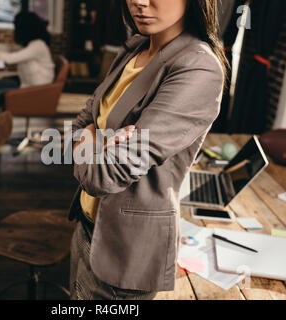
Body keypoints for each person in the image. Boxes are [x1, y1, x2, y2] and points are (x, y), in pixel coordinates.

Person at [68, 0, 228, 300]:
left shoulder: (197, 66)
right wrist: (98, 139)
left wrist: (91, 138)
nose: (139, 2)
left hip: (124, 252)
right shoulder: (135, 47)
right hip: (87, 224)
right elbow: (83, 120)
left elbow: (102, 176)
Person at [0, 11, 55, 118]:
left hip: (35, 91)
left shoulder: (37, 45)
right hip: (27, 85)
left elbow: (10, 58)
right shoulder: (32, 43)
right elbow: (10, 49)